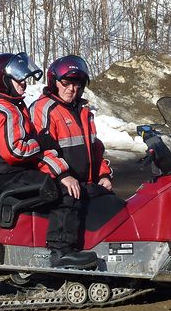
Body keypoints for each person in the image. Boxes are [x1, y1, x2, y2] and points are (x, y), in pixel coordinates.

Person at [0, 52, 97, 269]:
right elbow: (15, 151)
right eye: (18, 79)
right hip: (7, 173)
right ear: (3, 81)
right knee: (62, 190)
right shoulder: (8, 111)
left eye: (24, 79)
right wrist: (38, 142)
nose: (23, 83)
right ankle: (61, 251)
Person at [30, 55, 114, 204]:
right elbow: (41, 150)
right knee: (70, 221)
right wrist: (63, 176)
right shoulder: (44, 109)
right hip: (59, 184)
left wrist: (103, 175)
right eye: (66, 83)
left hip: (85, 185)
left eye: (76, 85)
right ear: (54, 82)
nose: (71, 89)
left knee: (117, 210)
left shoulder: (83, 112)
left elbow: (95, 149)